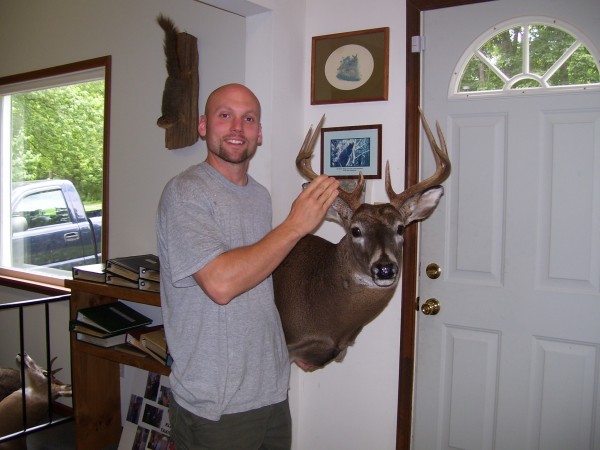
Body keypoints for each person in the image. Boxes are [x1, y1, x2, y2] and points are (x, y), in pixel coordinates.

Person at [156, 83, 339, 449]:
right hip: (217, 404)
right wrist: (294, 226)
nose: (238, 127)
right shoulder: (185, 192)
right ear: (204, 126)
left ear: (259, 134)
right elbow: (221, 284)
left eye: (249, 119)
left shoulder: (259, 195)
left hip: (270, 389)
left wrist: (292, 344)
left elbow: (261, 281)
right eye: (226, 116)